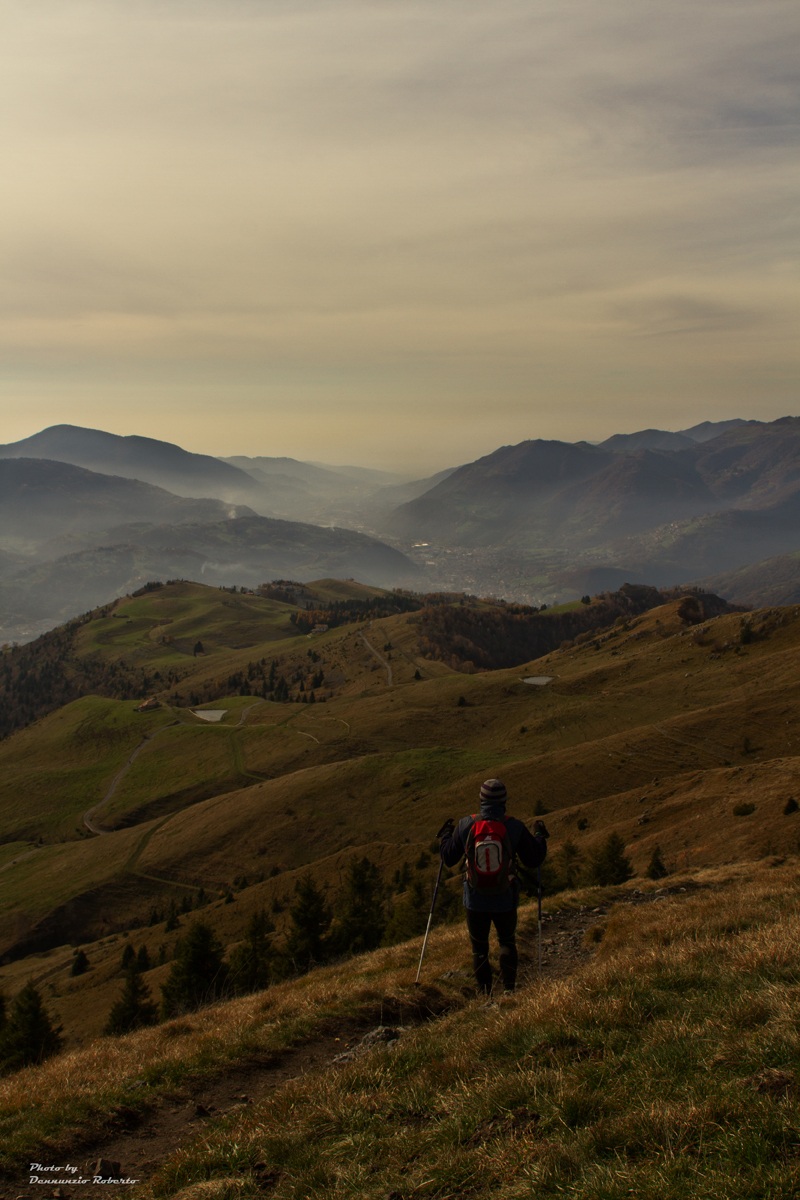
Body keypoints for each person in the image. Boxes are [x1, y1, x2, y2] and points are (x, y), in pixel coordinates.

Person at [439, 778, 548, 995]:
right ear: (503, 801)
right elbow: (534, 859)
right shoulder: (514, 827)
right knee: (507, 941)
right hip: (505, 897)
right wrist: (539, 836)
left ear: (481, 800)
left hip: (474, 898)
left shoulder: (467, 824)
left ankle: (485, 994)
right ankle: (509, 990)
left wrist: (445, 836)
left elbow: (448, 858)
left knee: (479, 948)